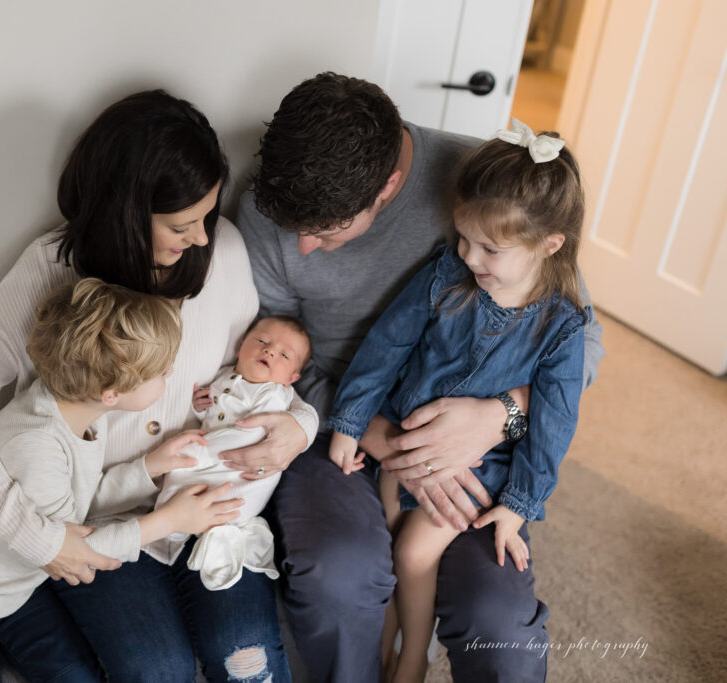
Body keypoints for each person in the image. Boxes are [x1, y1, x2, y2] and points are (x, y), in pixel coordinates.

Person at [0, 90, 317, 682]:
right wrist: (41, 540)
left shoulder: (222, 251)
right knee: (157, 670)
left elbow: (264, 370)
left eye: (207, 215)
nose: (202, 238)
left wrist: (299, 429)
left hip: (212, 500)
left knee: (245, 657)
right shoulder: (50, 271)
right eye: (182, 224)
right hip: (102, 521)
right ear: (125, 211)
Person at [236, 72, 604, 682]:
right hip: (336, 418)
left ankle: (415, 656)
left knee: (501, 629)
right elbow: (262, 362)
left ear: (388, 188)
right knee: (344, 571)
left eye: (327, 231)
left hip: (472, 448)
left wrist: (500, 416)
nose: (300, 247)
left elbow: (579, 344)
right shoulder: (268, 205)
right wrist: (368, 427)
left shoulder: (487, 188)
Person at [328, 120, 589, 683]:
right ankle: (386, 644)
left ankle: (412, 662)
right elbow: (386, 346)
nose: (469, 255)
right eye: (463, 236)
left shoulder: (560, 328)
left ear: (549, 245)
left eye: (490, 248)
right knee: (388, 527)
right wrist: (351, 420)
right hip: (403, 433)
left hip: (482, 466)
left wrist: (520, 504)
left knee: (414, 553)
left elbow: (554, 425)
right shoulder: (448, 273)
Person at [0, 278, 244, 681]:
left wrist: (150, 466)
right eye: (161, 372)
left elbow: (79, 506)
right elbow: (79, 548)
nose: (170, 374)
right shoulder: (37, 445)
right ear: (112, 392)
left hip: (16, 593)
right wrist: (168, 521)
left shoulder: (76, 415)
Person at [150, 315, 312, 590]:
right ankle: (173, 533)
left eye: (284, 355)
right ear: (240, 347)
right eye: (261, 341)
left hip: (241, 469)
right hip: (216, 456)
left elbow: (249, 435)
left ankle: (203, 534)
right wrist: (198, 407)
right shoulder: (226, 375)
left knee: (189, 474)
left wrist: (200, 453)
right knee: (177, 484)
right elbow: (210, 418)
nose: (270, 351)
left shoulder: (273, 395)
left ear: (291, 379)